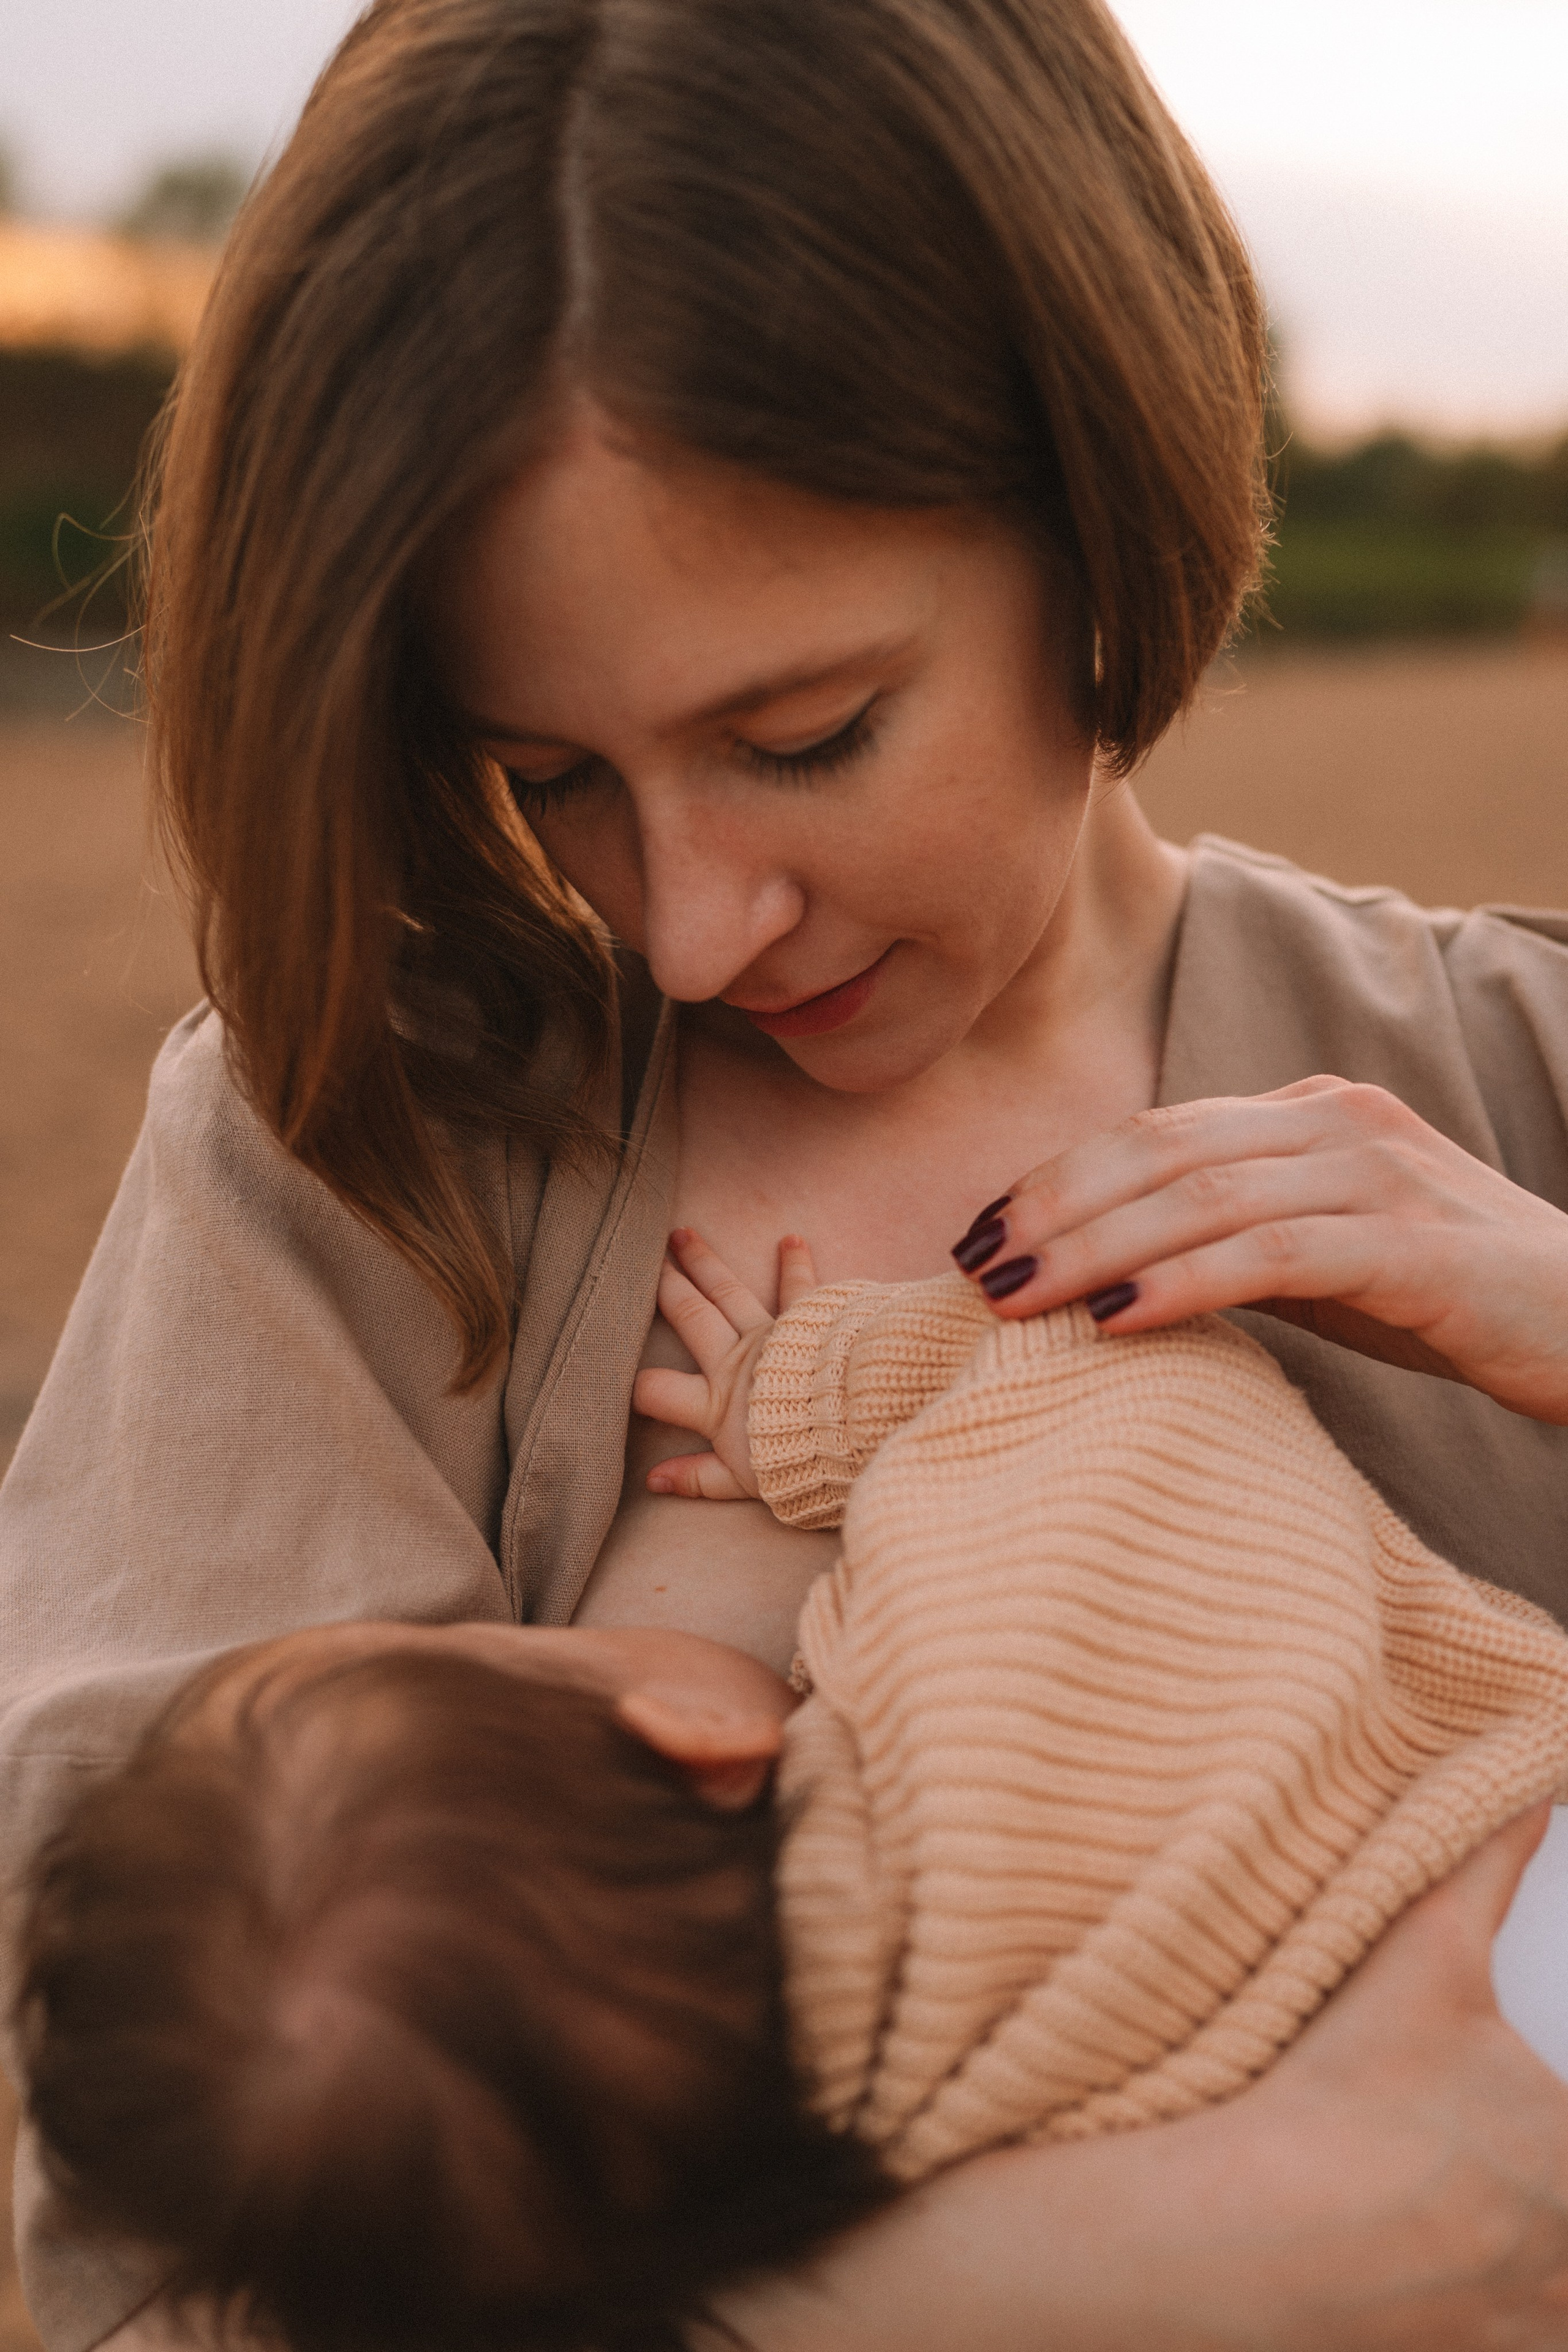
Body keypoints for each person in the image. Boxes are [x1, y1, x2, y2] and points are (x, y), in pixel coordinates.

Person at [7, 0, 1568, 2343]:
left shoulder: (1518, 1071)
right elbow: (156, 2258)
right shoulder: (347, 1164)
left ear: (1098, 495)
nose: (693, 921)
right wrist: (1110, 2280)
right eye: (550, 779)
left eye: (807, 733)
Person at [14, 1235, 1568, 2352]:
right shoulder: (971, 1676)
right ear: (691, 1722)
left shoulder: (873, 2166)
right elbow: (1144, 1393)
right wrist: (809, 1391)